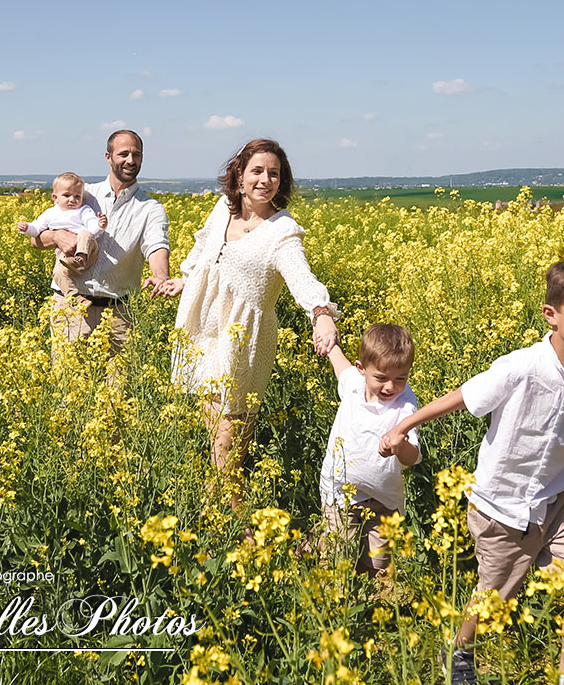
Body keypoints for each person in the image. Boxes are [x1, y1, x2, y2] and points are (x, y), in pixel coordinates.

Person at [380, 257, 564, 685]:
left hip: (553, 508)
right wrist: (404, 423)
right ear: (551, 314)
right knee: (493, 600)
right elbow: (462, 397)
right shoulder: (520, 367)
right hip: (501, 508)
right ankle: (459, 650)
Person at [161, 139, 339, 502]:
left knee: (228, 438)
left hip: (241, 340)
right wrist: (184, 279)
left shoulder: (282, 232)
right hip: (202, 331)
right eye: (257, 171)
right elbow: (203, 253)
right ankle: (220, 519)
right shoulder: (222, 210)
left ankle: (235, 524)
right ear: (239, 175)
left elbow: (301, 277)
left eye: (274, 173)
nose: (265, 180)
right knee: (216, 438)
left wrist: (320, 314)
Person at [31, 130, 177, 357]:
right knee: (68, 387)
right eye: (123, 154)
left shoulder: (150, 208)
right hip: (71, 308)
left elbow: (156, 246)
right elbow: (36, 238)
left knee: (118, 390)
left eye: (136, 155)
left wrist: (161, 276)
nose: (130, 160)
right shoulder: (82, 194)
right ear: (108, 157)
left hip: (119, 315)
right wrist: (58, 236)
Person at [319, 324, 421, 576]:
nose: (390, 387)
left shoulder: (405, 405)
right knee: (335, 556)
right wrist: (328, 342)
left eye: (401, 378)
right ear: (362, 369)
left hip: (384, 500)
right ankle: (331, 599)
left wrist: (400, 446)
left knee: (379, 565)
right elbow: (340, 365)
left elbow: (414, 456)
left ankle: (372, 607)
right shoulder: (353, 385)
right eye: (381, 378)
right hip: (340, 493)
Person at [17, 172, 108, 297]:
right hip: (65, 254)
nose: (72, 199)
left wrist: (100, 225)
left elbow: (92, 227)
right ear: (55, 197)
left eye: (77, 196)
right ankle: (74, 297)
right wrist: (27, 228)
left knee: (85, 234)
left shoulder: (83, 210)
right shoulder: (51, 213)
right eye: (66, 195)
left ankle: (80, 259)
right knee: (58, 273)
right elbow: (37, 228)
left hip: (87, 250)